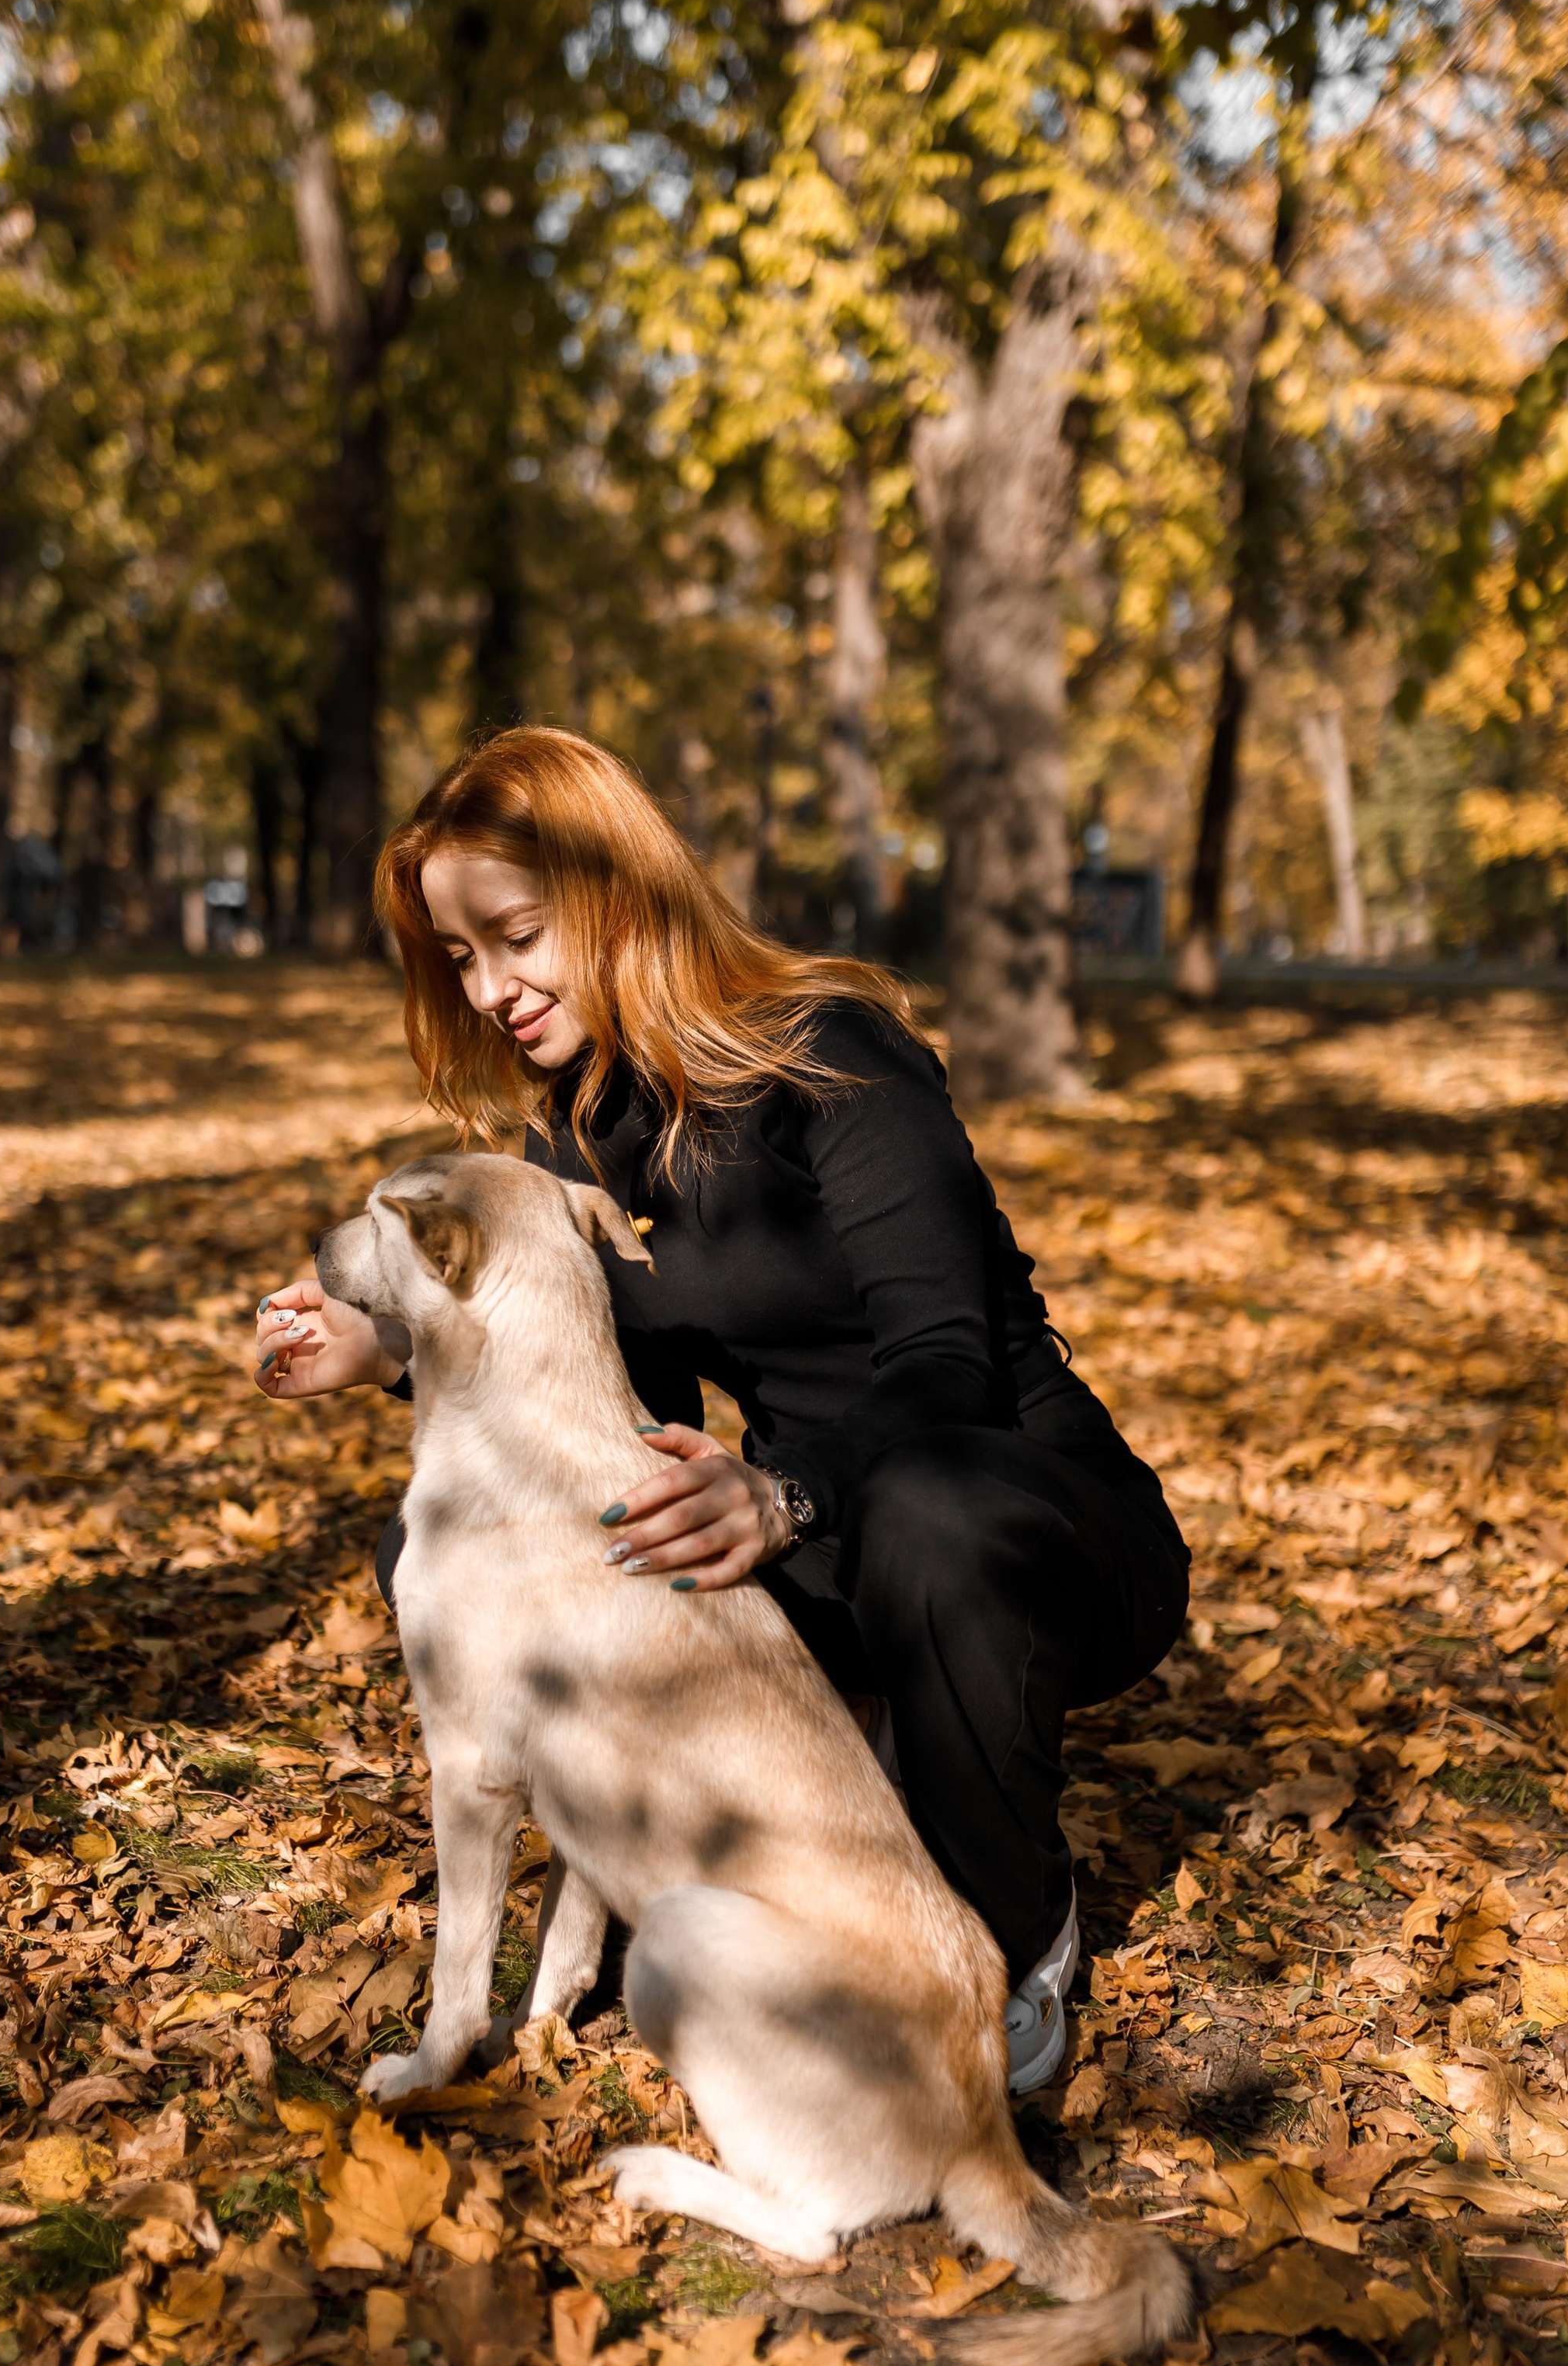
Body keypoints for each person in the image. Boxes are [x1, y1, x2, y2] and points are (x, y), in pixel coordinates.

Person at [253, 728, 1188, 2090]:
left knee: (925, 1509)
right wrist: (391, 1348)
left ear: (615, 891)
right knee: (459, 1544)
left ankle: (1014, 1930)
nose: (491, 989)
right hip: (808, 1533)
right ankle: (747, 1816)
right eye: (461, 957)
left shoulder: (832, 1053)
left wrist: (784, 1494)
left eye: (516, 936)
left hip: (1021, 1518)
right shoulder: (582, 1134)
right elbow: (615, 1413)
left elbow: (948, 1364)